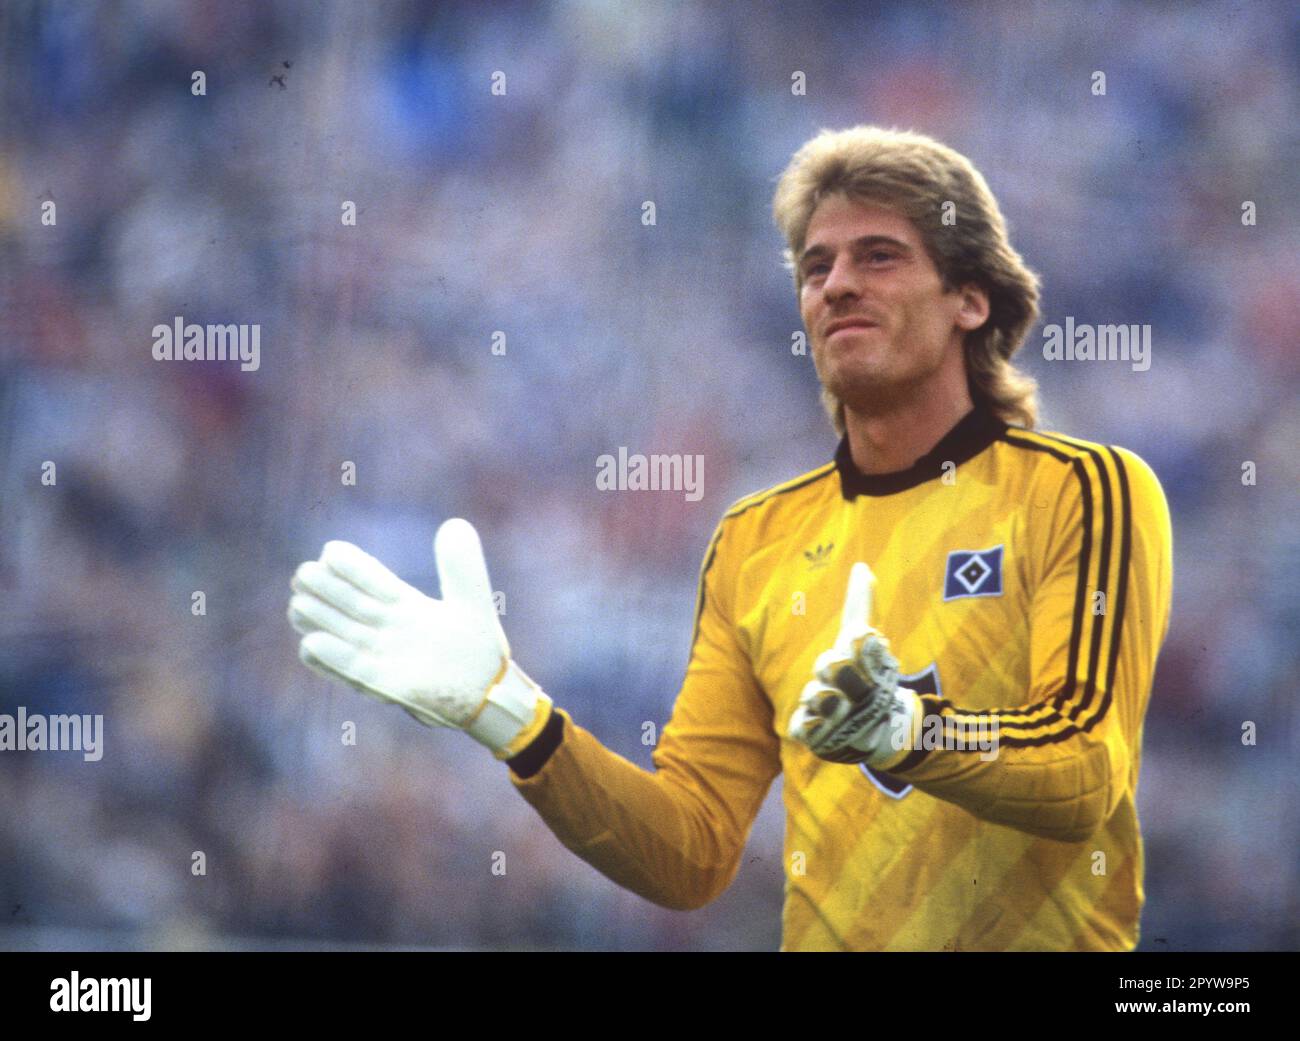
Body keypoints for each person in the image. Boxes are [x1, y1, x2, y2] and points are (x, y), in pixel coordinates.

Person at [286, 126, 1173, 951]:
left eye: (880, 256)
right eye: (815, 266)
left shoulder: (1083, 489)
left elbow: (1083, 770)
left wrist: (903, 727)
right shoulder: (757, 539)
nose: (837, 285)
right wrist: (513, 716)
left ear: (971, 300)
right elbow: (690, 849)